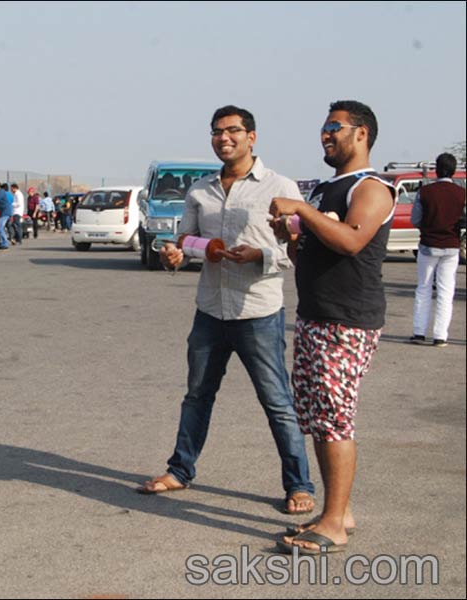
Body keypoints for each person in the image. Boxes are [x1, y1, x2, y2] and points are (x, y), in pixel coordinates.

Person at [139, 105, 316, 518]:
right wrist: (175, 254)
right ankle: (179, 471)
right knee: (197, 396)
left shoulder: (279, 187)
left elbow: (294, 251)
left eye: (233, 131)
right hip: (210, 311)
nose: (224, 138)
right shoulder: (200, 190)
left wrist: (259, 255)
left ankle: (299, 484)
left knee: (276, 402)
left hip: (258, 311)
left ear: (252, 137)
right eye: (217, 132)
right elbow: (186, 240)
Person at [270, 100, 397, 554]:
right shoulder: (329, 188)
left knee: (336, 421)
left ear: (361, 133)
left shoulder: (372, 186)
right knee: (320, 420)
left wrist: (302, 210)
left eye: (334, 127)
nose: (325, 135)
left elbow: (351, 240)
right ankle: (337, 511)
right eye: (323, 127)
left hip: (347, 322)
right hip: (315, 316)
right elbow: (315, 254)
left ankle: (333, 524)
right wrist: (291, 238)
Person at [409, 152, 465, 347]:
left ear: (436, 170)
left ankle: (418, 332)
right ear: (454, 171)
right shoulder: (461, 193)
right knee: (446, 291)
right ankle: (440, 335)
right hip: (451, 246)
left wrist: (427, 227)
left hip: (427, 246)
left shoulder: (425, 192)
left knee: (423, 288)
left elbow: (415, 219)